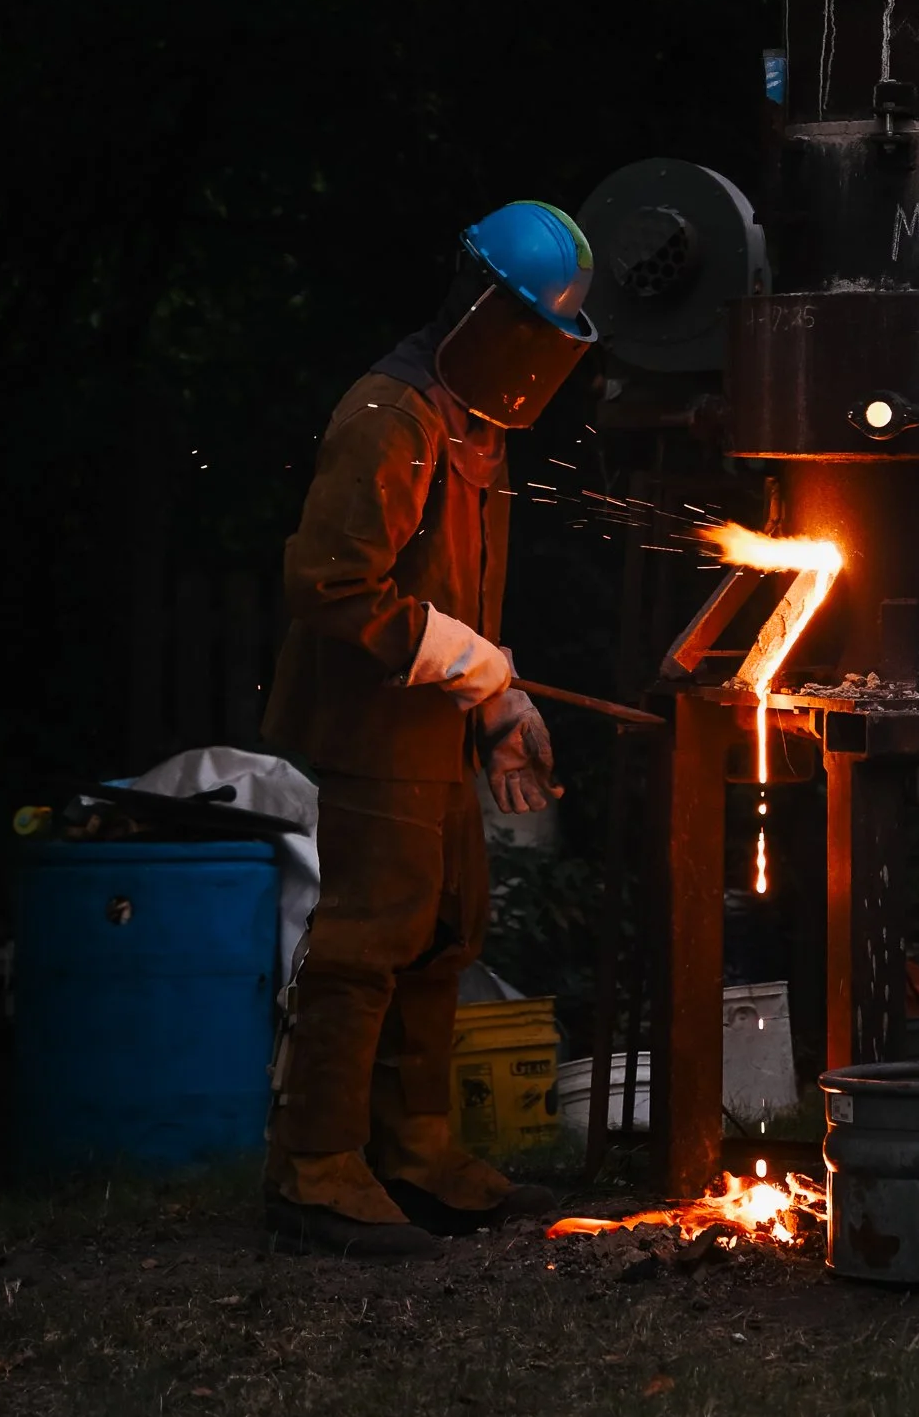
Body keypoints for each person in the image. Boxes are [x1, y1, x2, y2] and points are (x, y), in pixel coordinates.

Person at [261, 200, 598, 1257]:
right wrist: (477, 669)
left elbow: (456, 600)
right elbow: (329, 586)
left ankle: (414, 1148)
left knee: (447, 928)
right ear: (482, 305)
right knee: (370, 940)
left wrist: (496, 704)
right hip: (372, 728)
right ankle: (316, 1167)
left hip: (434, 729)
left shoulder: (470, 423)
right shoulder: (390, 414)